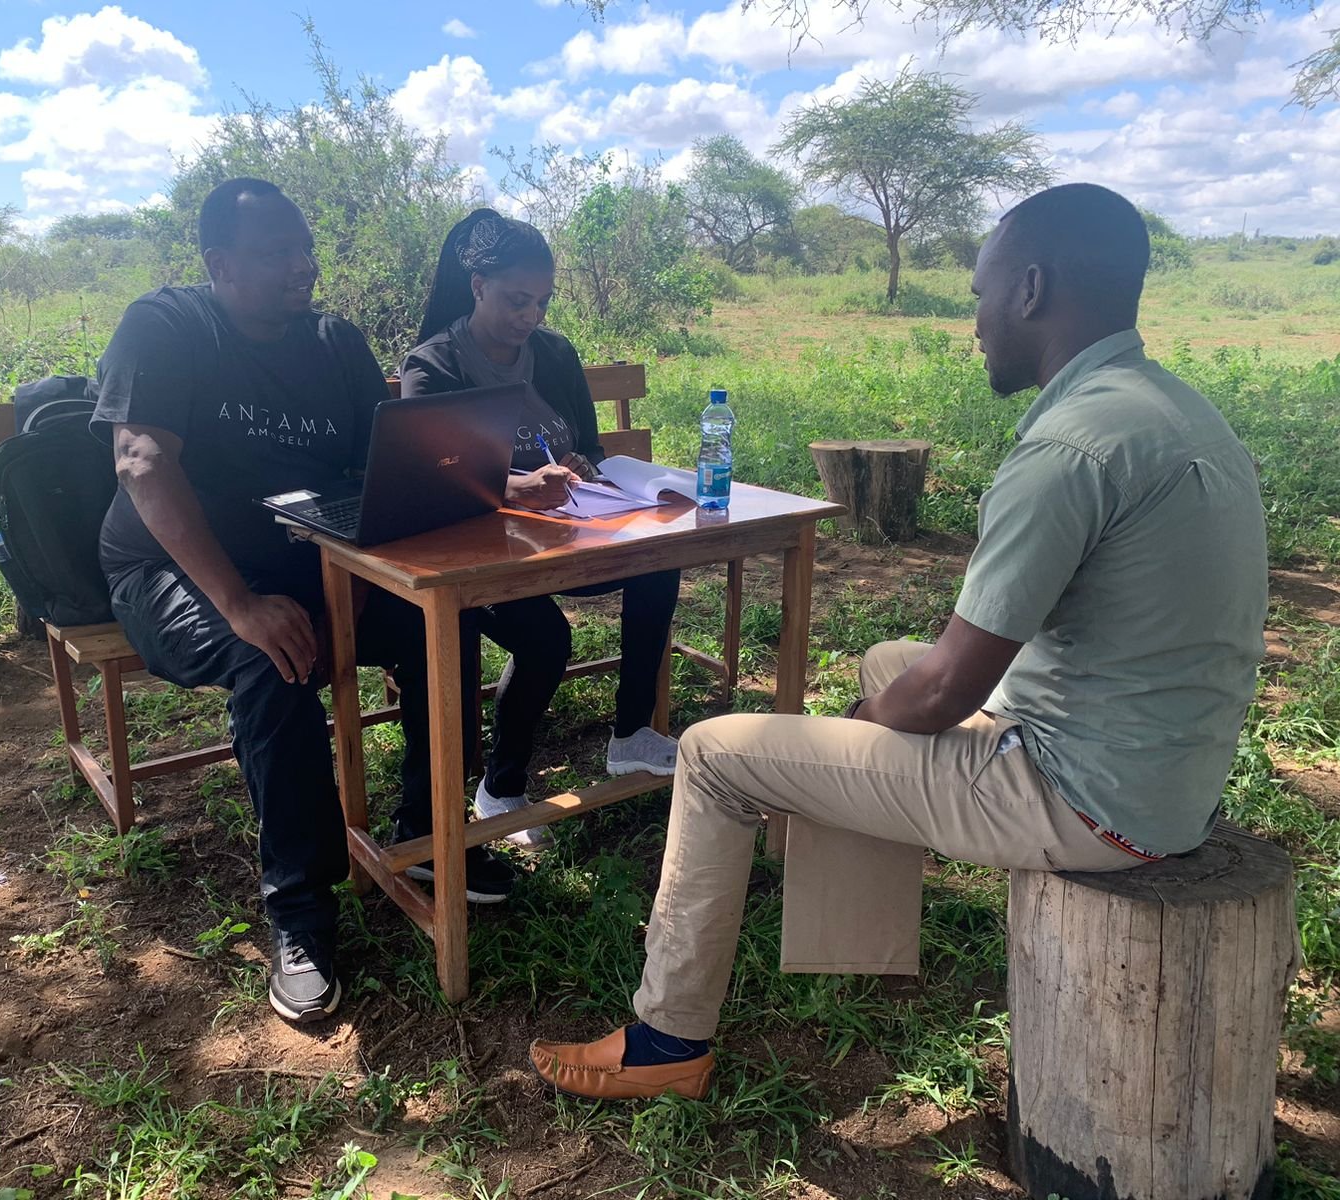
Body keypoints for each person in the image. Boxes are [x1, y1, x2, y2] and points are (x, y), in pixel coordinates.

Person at [528, 182, 1269, 1100]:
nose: (976, 324)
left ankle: (666, 1042)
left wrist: (864, 722)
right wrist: (883, 709)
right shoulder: (1169, 407)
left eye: (979, 295)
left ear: (1030, 289)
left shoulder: (1068, 449)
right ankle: (858, 948)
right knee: (889, 661)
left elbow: (943, 694)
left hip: (1086, 796)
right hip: (1163, 767)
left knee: (719, 753)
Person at [91, 178, 514, 1026]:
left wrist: (447, 497)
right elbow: (141, 464)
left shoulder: (334, 342)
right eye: (277, 252)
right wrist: (242, 605)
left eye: (304, 248)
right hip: (176, 571)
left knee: (445, 626)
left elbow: (387, 462)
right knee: (270, 660)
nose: (301, 266)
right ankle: (300, 913)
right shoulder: (165, 327)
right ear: (218, 263)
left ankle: (425, 840)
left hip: (313, 559)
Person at [400, 209, 682, 846]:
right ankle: (500, 786)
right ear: (477, 286)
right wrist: (515, 487)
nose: (531, 316)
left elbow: (586, 445)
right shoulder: (435, 365)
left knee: (658, 562)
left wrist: (581, 465)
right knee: (547, 641)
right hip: (478, 557)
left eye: (542, 302)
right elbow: (428, 479)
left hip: (568, 532)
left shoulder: (554, 355)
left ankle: (631, 733)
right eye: (516, 300)